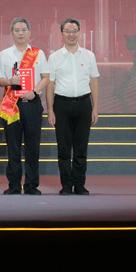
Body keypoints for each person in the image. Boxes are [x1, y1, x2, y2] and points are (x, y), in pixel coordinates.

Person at [0, 17, 50, 195]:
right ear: (12, 33)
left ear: (29, 33)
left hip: (32, 103)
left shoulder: (38, 53)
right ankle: (13, 184)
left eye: (24, 30)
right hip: (11, 104)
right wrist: (10, 81)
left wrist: (35, 91)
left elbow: (46, 78)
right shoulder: (4, 55)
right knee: (13, 146)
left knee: (33, 146)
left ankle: (31, 185)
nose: (21, 33)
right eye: (17, 30)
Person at [46, 18, 99, 195]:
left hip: (84, 104)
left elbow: (94, 82)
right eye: (67, 31)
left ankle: (80, 184)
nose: (71, 34)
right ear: (61, 34)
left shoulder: (89, 55)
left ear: (79, 33)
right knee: (63, 148)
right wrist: (50, 110)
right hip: (62, 105)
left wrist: (95, 108)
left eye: (74, 31)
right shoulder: (54, 57)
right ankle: (66, 185)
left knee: (81, 147)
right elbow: (50, 85)